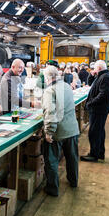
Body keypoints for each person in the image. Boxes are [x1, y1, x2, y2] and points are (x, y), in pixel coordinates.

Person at [42, 66, 80, 197]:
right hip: (72, 129)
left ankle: (52, 189)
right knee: (72, 158)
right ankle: (74, 181)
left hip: (59, 132)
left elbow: (50, 113)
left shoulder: (50, 91)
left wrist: (48, 132)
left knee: (52, 160)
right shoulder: (66, 86)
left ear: (47, 78)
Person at [80, 60, 109, 162]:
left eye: (94, 68)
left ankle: (94, 154)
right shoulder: (101, 76)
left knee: (94, 132)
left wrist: (91, 102)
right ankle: (99, 153)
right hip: (98, 109)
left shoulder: (105, 77)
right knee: (99, 131)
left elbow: (103, 94)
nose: (93, 69)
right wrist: (91, 74)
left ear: (99, 68)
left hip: (99, 110)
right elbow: (91, 84)